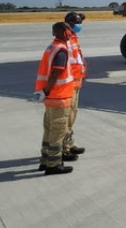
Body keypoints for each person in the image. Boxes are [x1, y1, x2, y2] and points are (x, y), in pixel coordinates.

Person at [33, 23, 77, 175]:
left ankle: (45, 161)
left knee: (49, 131)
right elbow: (56, 74)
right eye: (69, 30)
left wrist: (44, 93)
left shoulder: (52, 47)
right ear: (64, 32)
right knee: (58, 133)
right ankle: (54, 164)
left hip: (50, 98)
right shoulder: (62, 51)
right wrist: (46, 90)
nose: (72, 32)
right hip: (59, 97)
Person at [63, 12, 87, 156]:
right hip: (69, 83)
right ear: (70, 24)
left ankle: (69, 144)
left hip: (76, 83)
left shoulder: (73, 37)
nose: (79, 26)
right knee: (67, 116)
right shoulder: (65, 38)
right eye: (77, 24)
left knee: (73, 115)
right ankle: (64, 148)